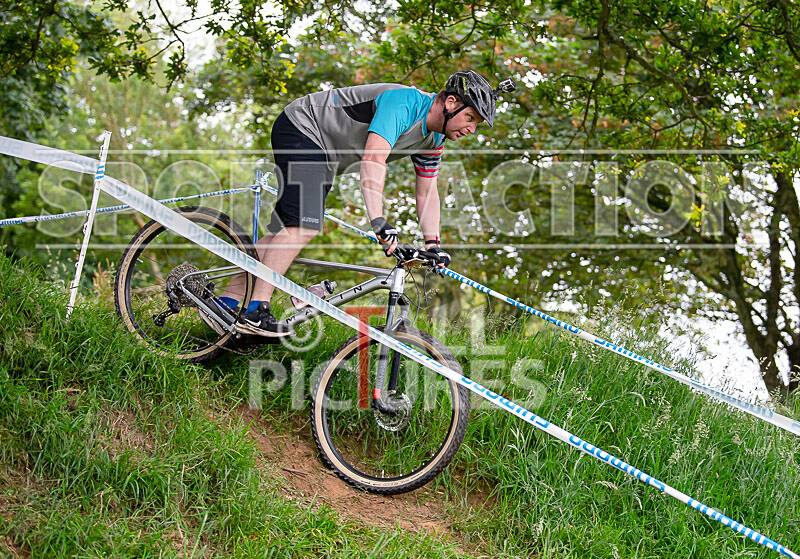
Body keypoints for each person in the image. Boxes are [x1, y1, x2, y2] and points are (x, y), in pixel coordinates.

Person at [203, 70, 513, 338]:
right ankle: (256, 312)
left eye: (477, 124)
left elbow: (427, 192)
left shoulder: (434, 140)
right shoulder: (405, 103)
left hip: (325, 154)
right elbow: (374, 158)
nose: (471, 129)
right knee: (303, 226)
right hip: (304, 126)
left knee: (286, 232)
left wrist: (433, 244)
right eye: (470, 118)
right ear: (451, 103)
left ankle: (227, 302)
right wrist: (378, 221)